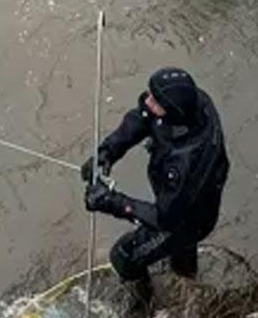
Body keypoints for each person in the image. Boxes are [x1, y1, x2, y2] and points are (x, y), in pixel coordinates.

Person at [81, 68, 229, 312]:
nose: (147, 100)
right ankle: (186, 277)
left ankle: (142, 306)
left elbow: (165, 218)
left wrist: (110, 201)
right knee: (181, 257)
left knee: (123, 256)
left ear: (172, 112)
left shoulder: (185, 164)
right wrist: (109, 150)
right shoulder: (196, 102)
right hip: (188, 200)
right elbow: (143, 116)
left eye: (154, 99)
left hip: (185, 218)